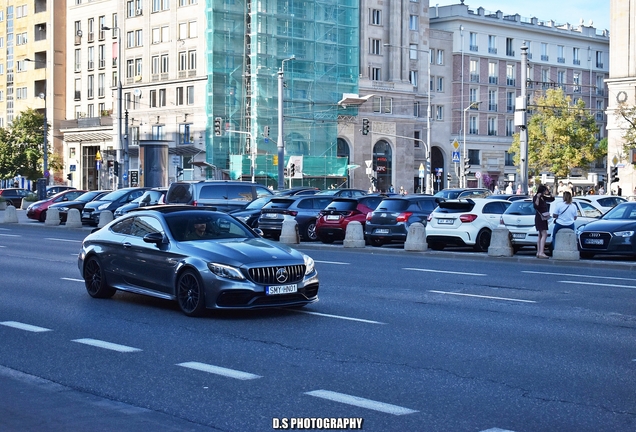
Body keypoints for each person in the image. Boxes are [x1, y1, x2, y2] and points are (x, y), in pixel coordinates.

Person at [533, 184, 555, 259]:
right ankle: (541, 252)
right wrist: (538, 198)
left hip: (543, 217)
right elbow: (536, 206)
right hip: (540, 218)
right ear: (542, 191)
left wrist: (550, 193)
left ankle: (539, 252)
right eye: (545, 190)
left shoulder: (543, 197)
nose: (546, 191)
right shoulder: (537, 197)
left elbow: (552, 199)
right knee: (544, 234)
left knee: (540, 235)